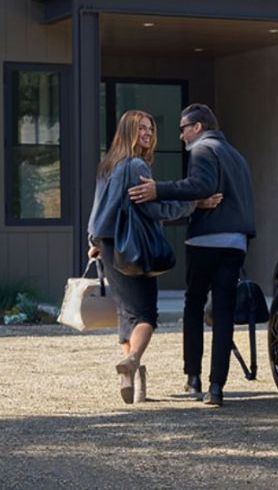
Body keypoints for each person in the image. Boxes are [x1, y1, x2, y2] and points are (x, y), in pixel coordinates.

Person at [87, 110, 222, 404]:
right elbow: (154, 208)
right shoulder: (136, 165)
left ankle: (134, 383)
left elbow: (97, 211)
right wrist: (194, 204)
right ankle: (132, 359)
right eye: (141, 129)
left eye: (150, 129)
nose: (148, 134)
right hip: (133, 246)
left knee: (127, 314)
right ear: (128, 131)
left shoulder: (107, 165)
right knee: (147, 314)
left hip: (107, 246)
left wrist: (94, 241)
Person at [129, 103, 256, 407]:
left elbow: (200, 185)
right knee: (224, 312)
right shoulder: (238, 157)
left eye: (184, 128)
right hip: (236, 242)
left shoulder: (202, 149)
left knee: (194, 304)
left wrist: (158, 190)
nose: (182, 136)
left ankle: (194, 378)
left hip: (205, 240)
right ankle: (217, 388)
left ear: (198, 127)